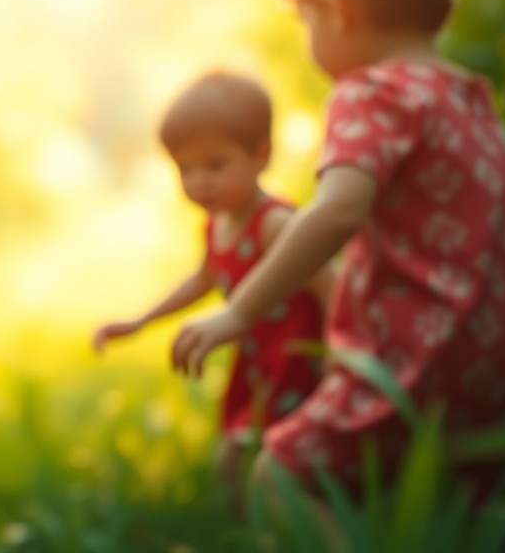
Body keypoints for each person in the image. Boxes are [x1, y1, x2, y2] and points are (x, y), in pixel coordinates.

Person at [170, 0, 505, 514]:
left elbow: (338, 209)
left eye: (305, 16)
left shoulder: (372, 90)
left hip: (417, 358)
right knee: (430, 513)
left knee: (279, 477)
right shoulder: (468, 96)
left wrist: (239, 311)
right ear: (445, 9)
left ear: (339, 10)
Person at [93, 71, 331, 499]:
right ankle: (258, 533)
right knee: (237, 462)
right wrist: (140, 321)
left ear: (261, 154)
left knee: (262, 463)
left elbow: (331, 288)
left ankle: (289, 531)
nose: (199, 181)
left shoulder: (275, 223)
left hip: (299, 365)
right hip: (258, 365)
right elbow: (205, 278)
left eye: (215, 165)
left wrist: (345, 354)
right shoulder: (218, 224)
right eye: (185, 169)